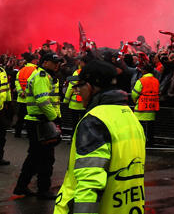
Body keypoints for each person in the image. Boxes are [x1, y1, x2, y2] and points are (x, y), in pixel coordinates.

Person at [54, 59, 146, 214]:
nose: (77, 91)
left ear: (90, 87)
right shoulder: (130, 116)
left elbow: (89, 184)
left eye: (79, 86)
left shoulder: (94, 121)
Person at [14, 51, 63, 199]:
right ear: (45, 63)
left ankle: (21, 187)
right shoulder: (42, 77)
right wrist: (54, 118)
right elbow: (43, 101)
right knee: (45, 158)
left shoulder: (45, 76)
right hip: (40, 122)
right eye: (54, 62)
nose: (57, 65)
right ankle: (42, 190)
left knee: (34, 157)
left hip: (38, 121)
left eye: (57, 62)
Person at [131, 63, 160, 146]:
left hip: (140, 110)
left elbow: (134, 94)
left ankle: (141, 143)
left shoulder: (141, 81)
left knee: (140, 129)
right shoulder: (156, 81)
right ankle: (150, 144)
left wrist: (135, 101)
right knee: (150, 129)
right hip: (152, 109)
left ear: (145, 71)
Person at [14, 52, 39, 138]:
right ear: (34, 60)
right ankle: (30, 134)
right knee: (30, 118)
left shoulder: (21, 70)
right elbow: (36, 84)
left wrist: (21, 92)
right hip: (31, 99)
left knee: (20, 117)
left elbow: (17, 82)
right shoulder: (36, 70)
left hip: (21, 98)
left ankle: (17, 133)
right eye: (36, 60)